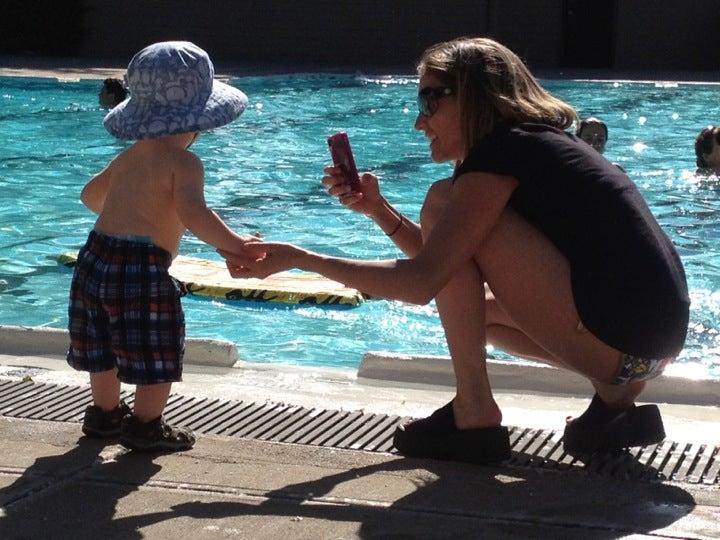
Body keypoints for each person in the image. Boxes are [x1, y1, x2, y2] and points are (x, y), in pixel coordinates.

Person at [222, 37, 690, 464]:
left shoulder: (500, 155)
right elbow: (451, 265)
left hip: (620, 345)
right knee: (476, 313)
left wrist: (300, 259)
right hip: (648, 357)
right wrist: (379, 211)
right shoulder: (537, 148)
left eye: (430, 99)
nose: (419, 120)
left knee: (441, 199)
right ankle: (610, 409)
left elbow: (422, 282)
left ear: (478, 97)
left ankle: (474, 412)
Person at [67, 41, 258, 452]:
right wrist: (237, 245)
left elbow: (89, 197)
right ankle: (145, 425)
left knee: (100, 343)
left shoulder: (130, 156)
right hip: (142, 267)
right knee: (156, 346)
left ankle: (104, 416)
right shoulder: (185, 163)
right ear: (197, 122)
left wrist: (127, 207)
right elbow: (195, 214)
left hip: (94, 257)